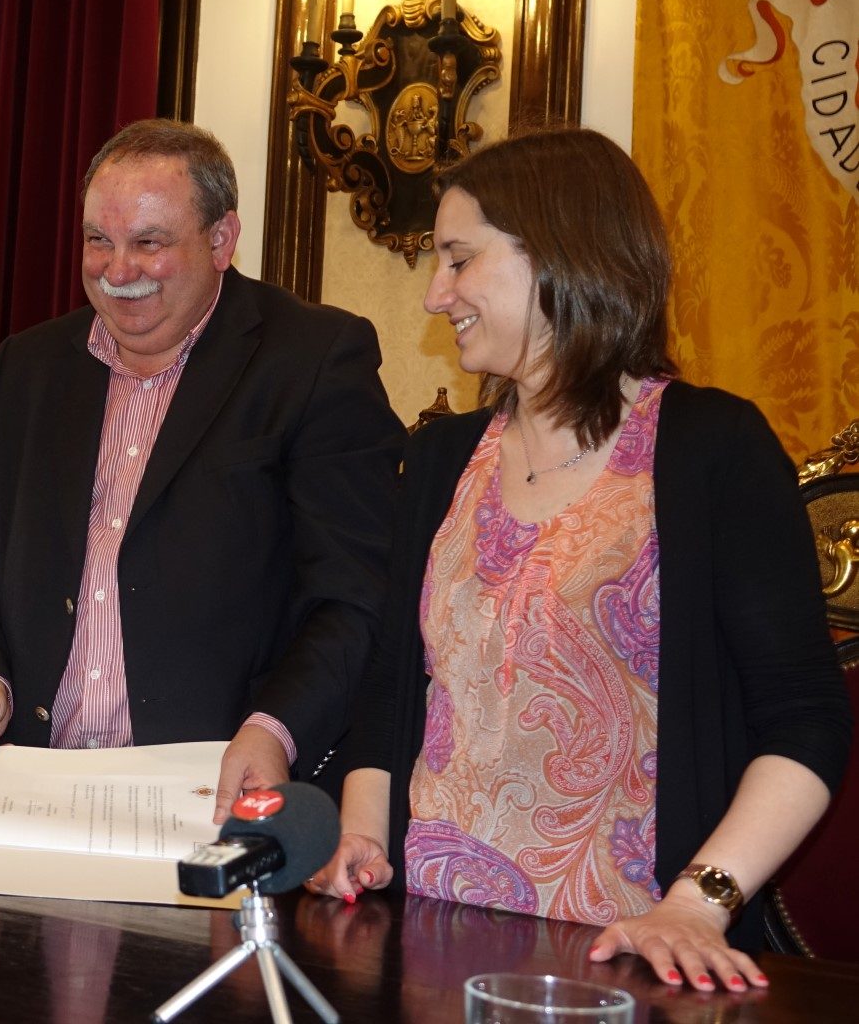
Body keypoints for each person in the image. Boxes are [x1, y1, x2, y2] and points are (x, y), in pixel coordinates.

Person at [305, 128, 851, 992]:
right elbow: (390, 689)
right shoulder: (441, 457)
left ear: (558, 252)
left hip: (630, 957)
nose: (436, 295)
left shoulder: (714, 448)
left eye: (459, 259)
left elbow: (806, 718)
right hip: (429, 950)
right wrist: (364, 839)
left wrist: (699, 903)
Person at [0, 119, 404, 821]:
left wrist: (278, 727)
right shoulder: (27, 367)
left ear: (221, 239)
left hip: (217, 793)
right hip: (31, 788)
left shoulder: (314, 360)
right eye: (98, 240)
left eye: (149, 243)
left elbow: (357, 590)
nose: (117, 271)